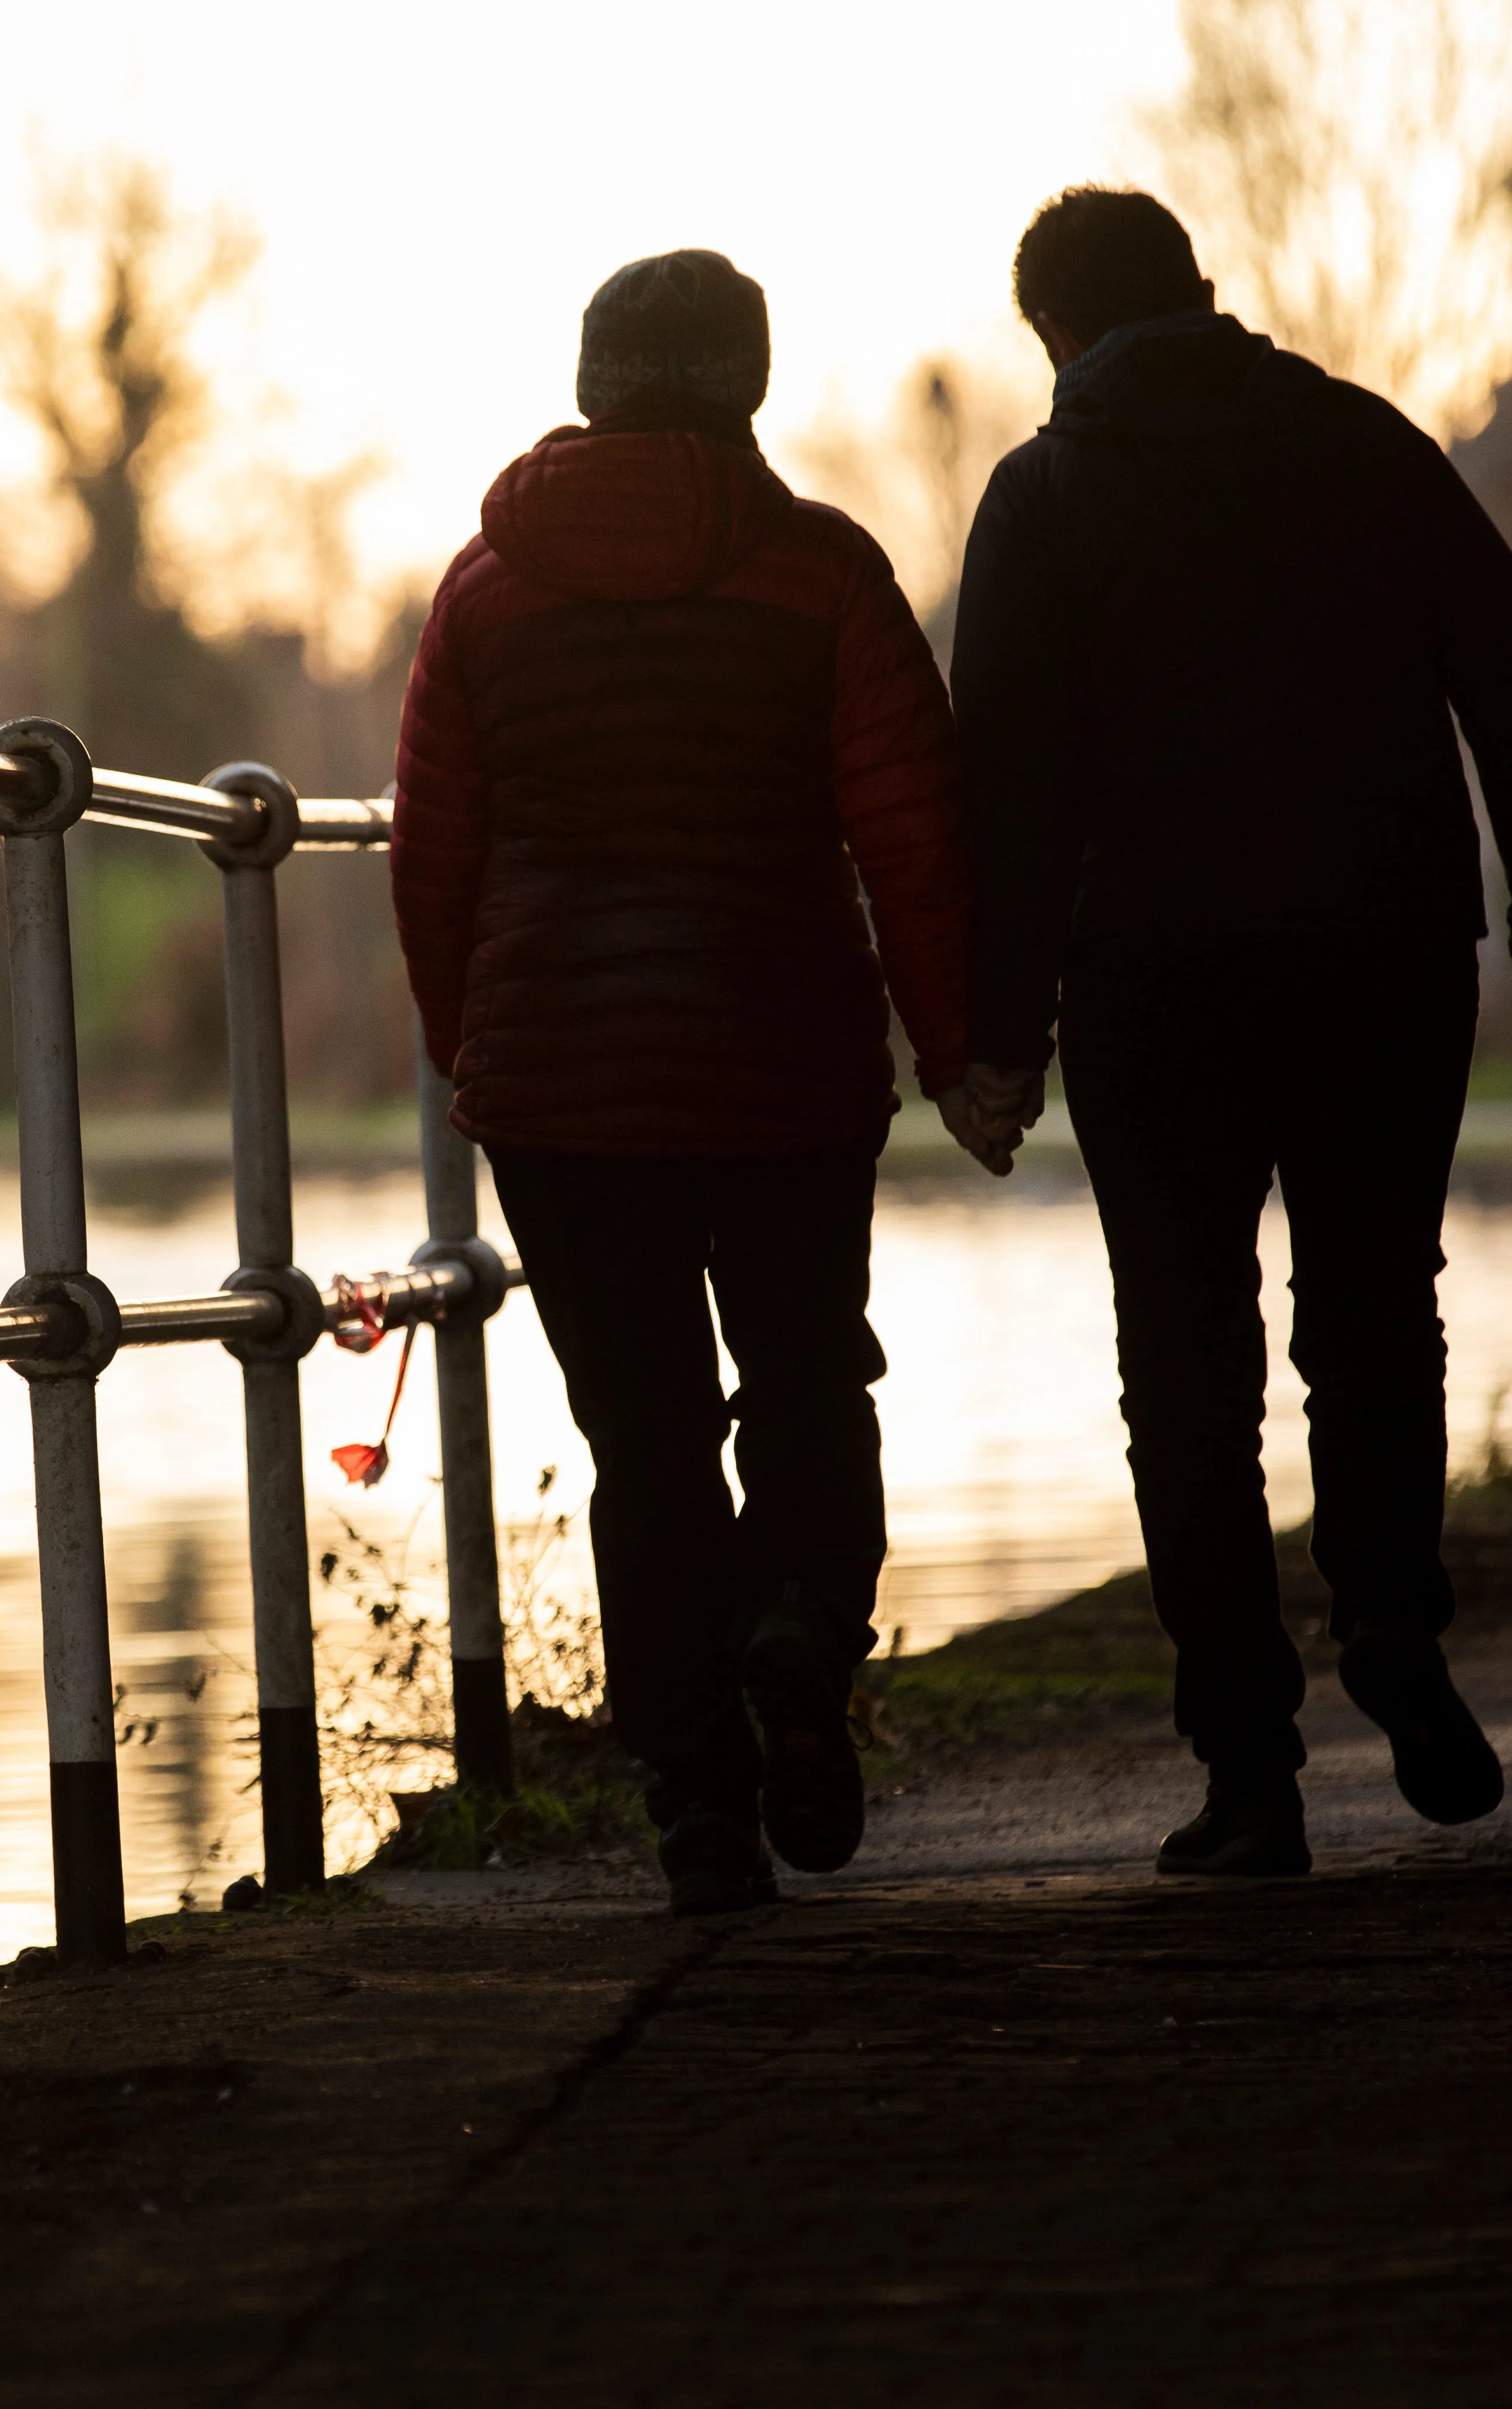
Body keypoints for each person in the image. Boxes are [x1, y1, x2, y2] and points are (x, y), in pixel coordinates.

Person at [946, 187, 1512, 1878]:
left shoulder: (1044, 495)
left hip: (1154, 975)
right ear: (1204, 290)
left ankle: (1249, 1769)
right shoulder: (1365, 445)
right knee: (1377, 1307)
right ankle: (1391, 1622)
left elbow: (1009, 791)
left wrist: (998, 1036)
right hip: (1382, 948)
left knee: (1185, 1360)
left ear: (1053, 338)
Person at [391, 249, 991, 1918]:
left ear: (591, 384)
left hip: (566, 1085)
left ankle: (699, 1805)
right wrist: (959, 1053)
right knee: (808, 1375)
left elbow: (433, 856)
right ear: (749, 383)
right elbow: (914, 835)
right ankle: (804, 1619)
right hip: (782, 1056)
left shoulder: (483, 594)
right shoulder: (819, 576)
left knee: (644, 1440)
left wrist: (470, 1046)